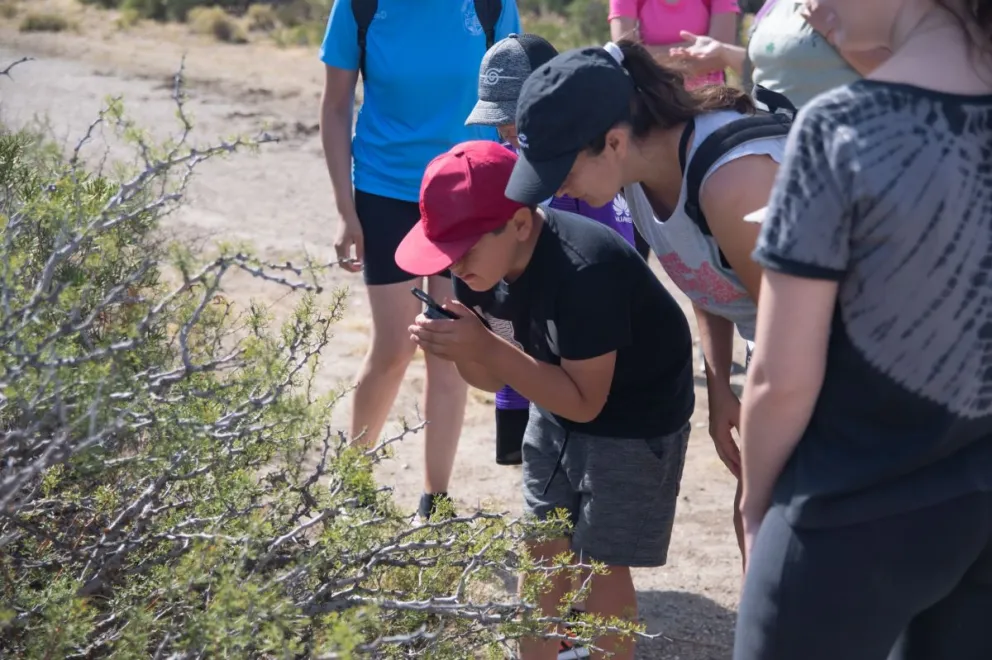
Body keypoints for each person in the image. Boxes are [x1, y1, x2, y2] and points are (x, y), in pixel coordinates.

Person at [733, 0, 992, 658]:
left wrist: (756, 504)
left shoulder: (840, 128)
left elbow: (781, 380)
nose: (809, 5)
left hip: (841, 518)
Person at [401, 140, 695, 660]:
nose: (454, 265)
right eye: (446, 251)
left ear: (519, 223)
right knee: (542, 548)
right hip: (554, 400)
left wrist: (483, 346)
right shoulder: (476, 272)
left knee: (599, 563)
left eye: (464, 248)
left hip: (636, 419)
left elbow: (586, 403)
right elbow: (491, 377)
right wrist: (460, 350)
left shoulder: (586, 269)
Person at [505, 41, 784, 570]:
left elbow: (797, 325)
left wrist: (771, 419)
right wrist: (720, 388)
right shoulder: (636, 176)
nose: (558, 187)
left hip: (853, 344)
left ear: (613, 141)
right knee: (758, 512)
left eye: (563, 169)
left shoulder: (730, 183)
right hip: (782, 340)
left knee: (773, 513)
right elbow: (706, 274)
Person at [318, 0, 520, 522]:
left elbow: (512, 110)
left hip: (468, 191)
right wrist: (344, 210)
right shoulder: (359, 5)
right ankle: (352, 483)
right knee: (393, 347)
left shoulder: (492, 4)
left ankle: (436, 501)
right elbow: (335, 106)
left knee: (449, 346)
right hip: (385, 189)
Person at [465, 32, 637, 469]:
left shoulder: (583, 178)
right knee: (538, 482)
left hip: (586, 368)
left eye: (515, 125)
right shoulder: (504, 165)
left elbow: (605, 276)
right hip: (524, 373)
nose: (507, 137)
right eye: (499, 126)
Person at [607, 0, 741, 263]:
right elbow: (623, 56)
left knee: (719, 241)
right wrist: (694, 53)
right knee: (639, 242)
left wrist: (647, 58)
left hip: (709, 123)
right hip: (650, 126)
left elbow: (720, 54)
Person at [668, 0, 889, 111]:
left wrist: (831, 31)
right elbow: (770, 68)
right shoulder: (773, 4)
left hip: (836, 152)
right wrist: (723, 52)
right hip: (774, 150)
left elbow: (892, 71)